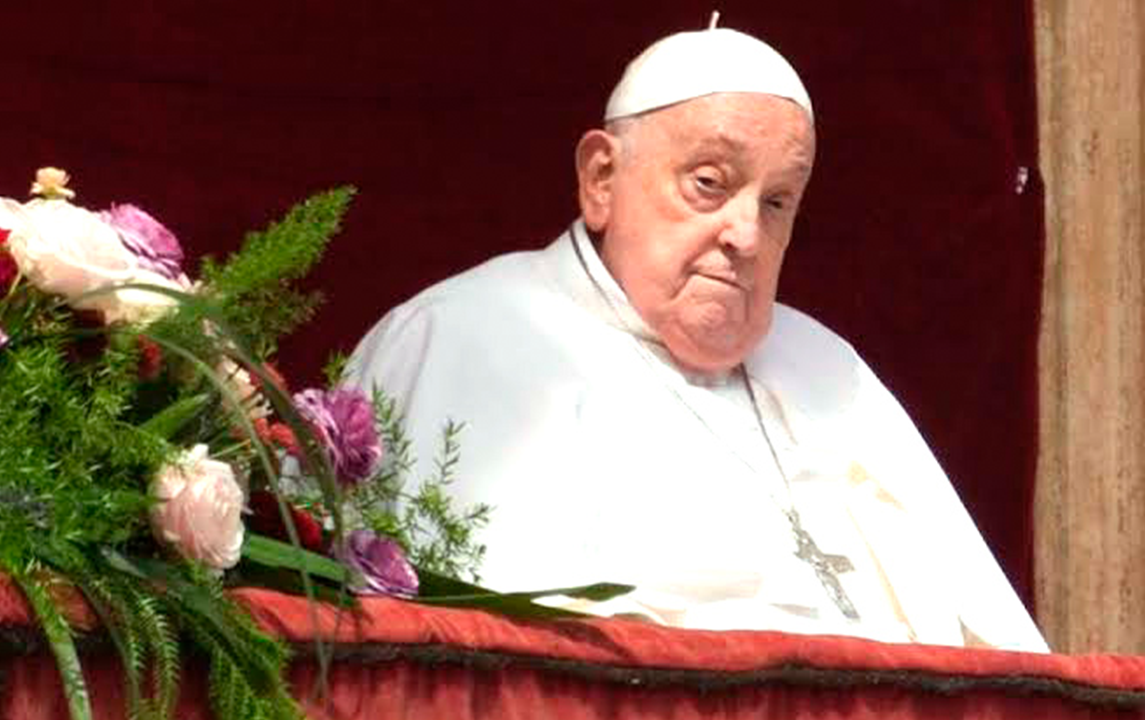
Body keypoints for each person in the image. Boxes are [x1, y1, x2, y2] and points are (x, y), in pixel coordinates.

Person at [348, 22, 1048, 651]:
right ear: (601, 179)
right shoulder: (464, 338)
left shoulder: (828, 366)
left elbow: (999, 655)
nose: (746, 235)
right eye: (709, 183)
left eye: (776, 202)